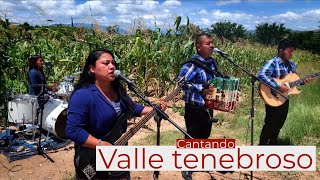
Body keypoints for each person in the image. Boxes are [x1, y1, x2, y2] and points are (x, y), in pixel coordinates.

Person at [66, 49, 166, 179]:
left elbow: (134, 108)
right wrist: (100, 144)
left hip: (118, 151)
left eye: (113, 63)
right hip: (92, 158)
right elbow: (73, 130)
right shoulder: (83, 95)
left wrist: (155, 109)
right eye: (106, 63)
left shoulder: (118, 90)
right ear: (92, 69)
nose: (112, 66)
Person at [177, 33, 221, 180]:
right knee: (191, 136)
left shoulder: (212, 63)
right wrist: (201, 88)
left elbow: (215, 81)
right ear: (198, 46)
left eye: (212, 43)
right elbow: (181, 83)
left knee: (205, 135)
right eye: (208, 43)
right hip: (194, 108)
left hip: (208, 106)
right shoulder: (192, 64)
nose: (212, 46)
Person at [257, 39, 311, 145]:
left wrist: (303, 82)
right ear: (281, 51)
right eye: (289, 51)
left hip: (285, 98)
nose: (291, 54)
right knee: (270, 123)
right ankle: (262, 145)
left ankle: (273, 142)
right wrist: (278, 86)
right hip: (272, 96)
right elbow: (261, 75)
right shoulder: (273, 62)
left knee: (280, 122)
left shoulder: (291, 65)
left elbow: (293, 81)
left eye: (292, 51)